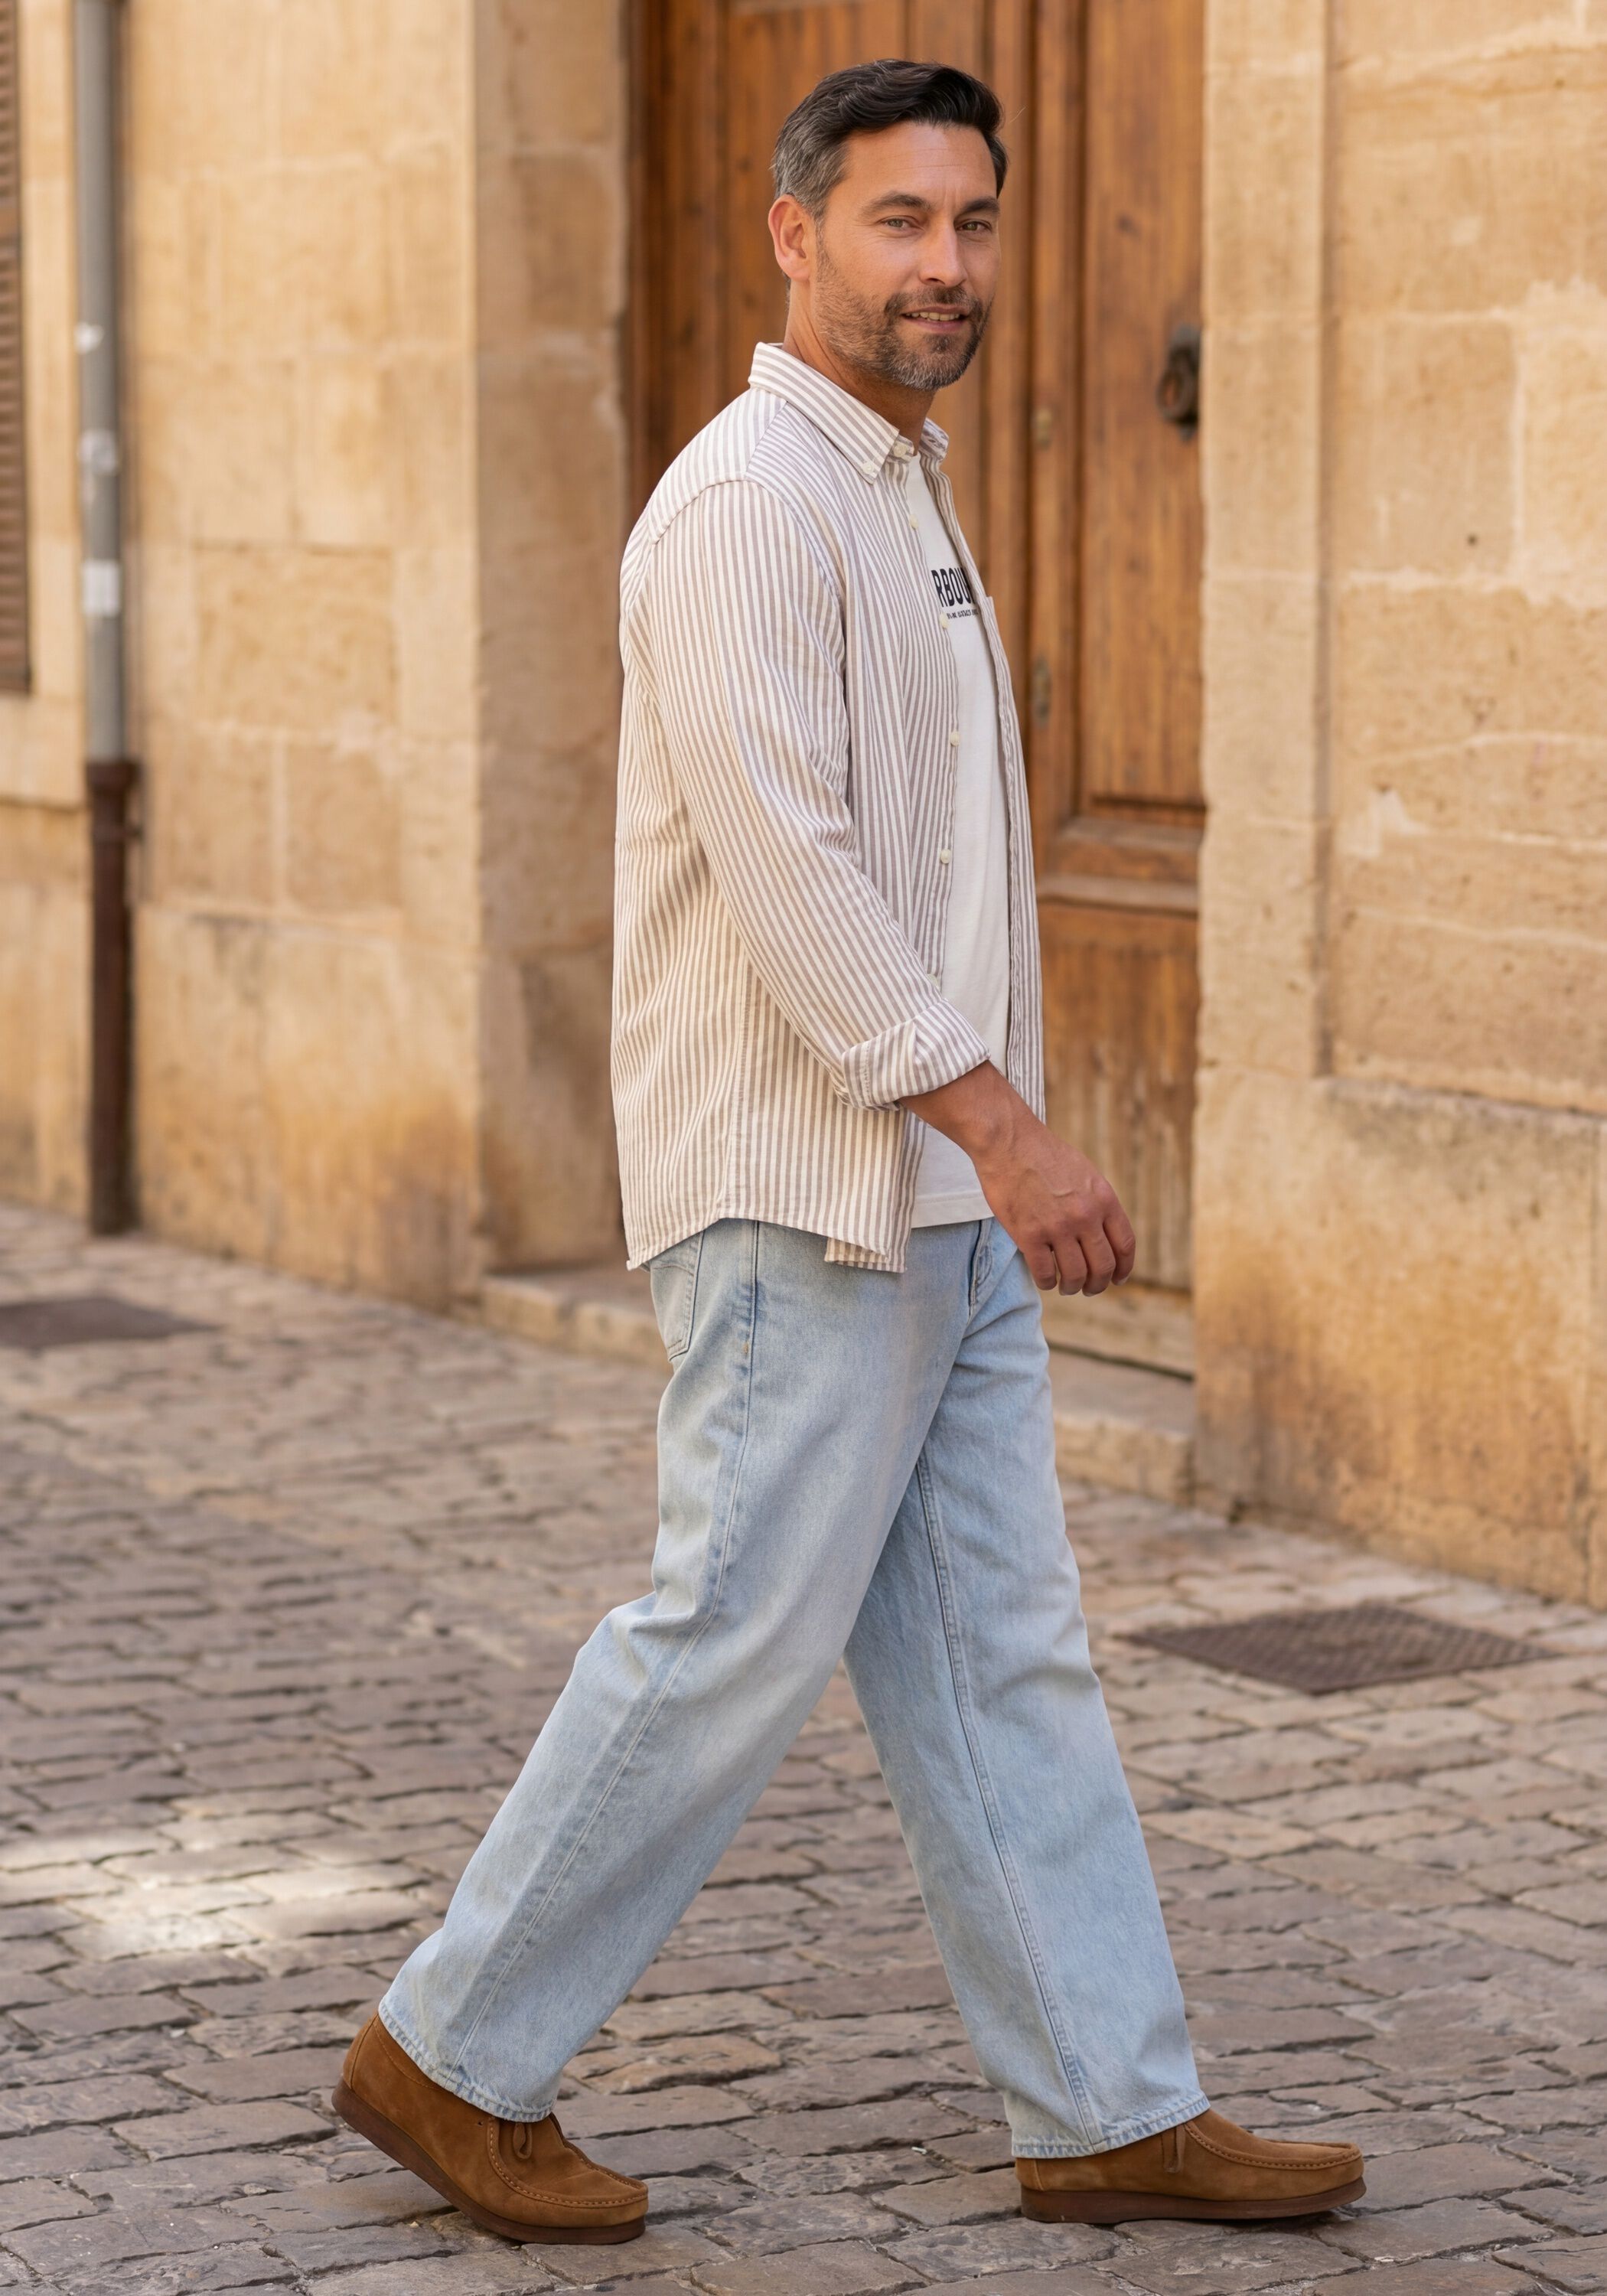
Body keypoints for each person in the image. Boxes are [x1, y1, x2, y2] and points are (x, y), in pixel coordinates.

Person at [334, 58, 1365, 2245]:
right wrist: (1007, 1126)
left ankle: (1104, 2100)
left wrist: (977, 1154)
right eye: (901, 222)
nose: (947, 265)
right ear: (796, 236)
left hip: (929, 1204)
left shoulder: (897, 483)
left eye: (973, 222)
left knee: (999, 1650)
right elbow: (788, 869)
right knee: (724, 1632)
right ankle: (451, 2054)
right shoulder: (746, 504)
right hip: (805, 1196)